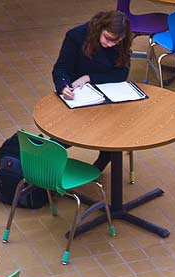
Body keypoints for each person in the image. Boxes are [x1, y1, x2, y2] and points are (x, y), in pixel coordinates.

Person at [52, 10, 133, 171]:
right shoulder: (76, 36)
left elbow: (122, 73)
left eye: (116, 42)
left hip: (107, 91)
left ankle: (105, 158)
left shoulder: (119, 41)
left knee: (111, 129)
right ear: (100, 29)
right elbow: (61, 68)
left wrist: (89, 77)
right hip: (79, 94)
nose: (110, 45)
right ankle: (46, 159)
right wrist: (63, 86)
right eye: (108, 39)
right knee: (67, 135)